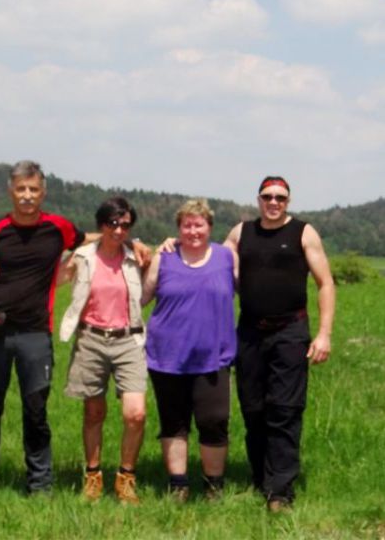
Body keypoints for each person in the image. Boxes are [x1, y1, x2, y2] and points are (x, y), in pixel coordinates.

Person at [0, 160, 86, 495]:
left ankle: (39, 482)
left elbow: (90, 240)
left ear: (43, 192)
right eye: (21, 189)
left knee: (36, 410)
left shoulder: (59, 228)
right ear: (11, 191)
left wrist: (132, 241)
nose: (27, 196)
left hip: (36, 335)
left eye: (34, 189)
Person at [227, 176, 335, 512]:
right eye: (268, 197)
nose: (274, 203)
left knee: (285, 411)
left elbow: (325, 283)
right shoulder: (239, 233)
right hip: (249, 332)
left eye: (281, 198)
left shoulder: (303, 232)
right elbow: (213, 269)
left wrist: (324, 334)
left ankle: (281, 491)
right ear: (258, 199)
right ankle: (261, 478)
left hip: (290, 331)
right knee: (253, 408)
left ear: (288, 201)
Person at [141, 199, 237, 502]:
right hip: (166, 355)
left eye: (199, 224)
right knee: (173, 422)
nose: (193, 230)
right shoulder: (164, 257)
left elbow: (255, 286)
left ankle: (213, 486)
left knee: (214, 420)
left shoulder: (225, 257)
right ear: (178, 228)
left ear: (210, 227)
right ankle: (178, 485)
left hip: (213, 356)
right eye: (186, 225)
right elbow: (141, 297)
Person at [57, 197, 146, 504]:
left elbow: (163, 269)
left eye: (125, 224)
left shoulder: (136, 256)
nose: (119, 230)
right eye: (112, 223)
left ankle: (125, 478)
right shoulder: (82, 257)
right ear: (100, 225)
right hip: (91, 340)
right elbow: (51, 279)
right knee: (94, 412)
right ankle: (93, 476)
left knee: (135, 414)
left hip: (128, 340)